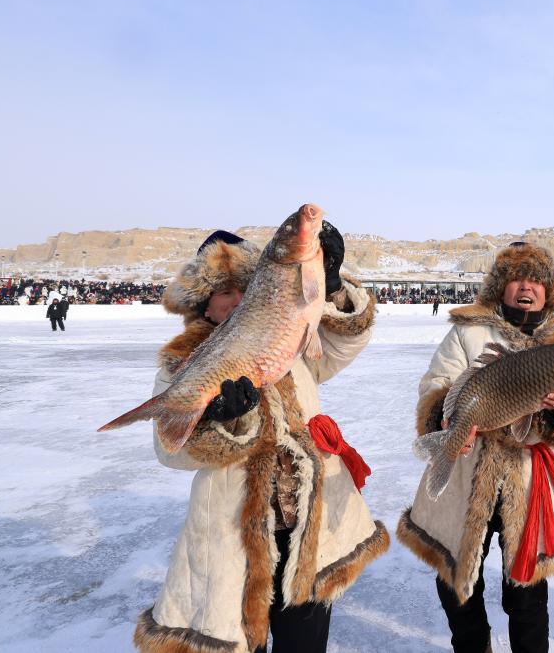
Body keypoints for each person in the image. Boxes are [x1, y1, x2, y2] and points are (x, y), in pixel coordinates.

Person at [133, 227, 389, 653]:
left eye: (244, 290)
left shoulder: (287, 341)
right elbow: (169, 450)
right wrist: (217, 421)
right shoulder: (183, 362)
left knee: (305, 642)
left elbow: (347, 341)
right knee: (241, 638)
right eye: (223, 292)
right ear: (205, 305)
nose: (235, 300)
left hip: (304, 519)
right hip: (234, 529)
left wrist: (332, 285)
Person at [396, 242, 554, 653]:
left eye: (537, 280)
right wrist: (446, 418)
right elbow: (434, 384)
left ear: (549, 290)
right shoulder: (468, 332)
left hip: (527, 479)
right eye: (517, 279)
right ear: (501, 287)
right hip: (465, 471)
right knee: (457, 580)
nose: (527, 287)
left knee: (527, 593)